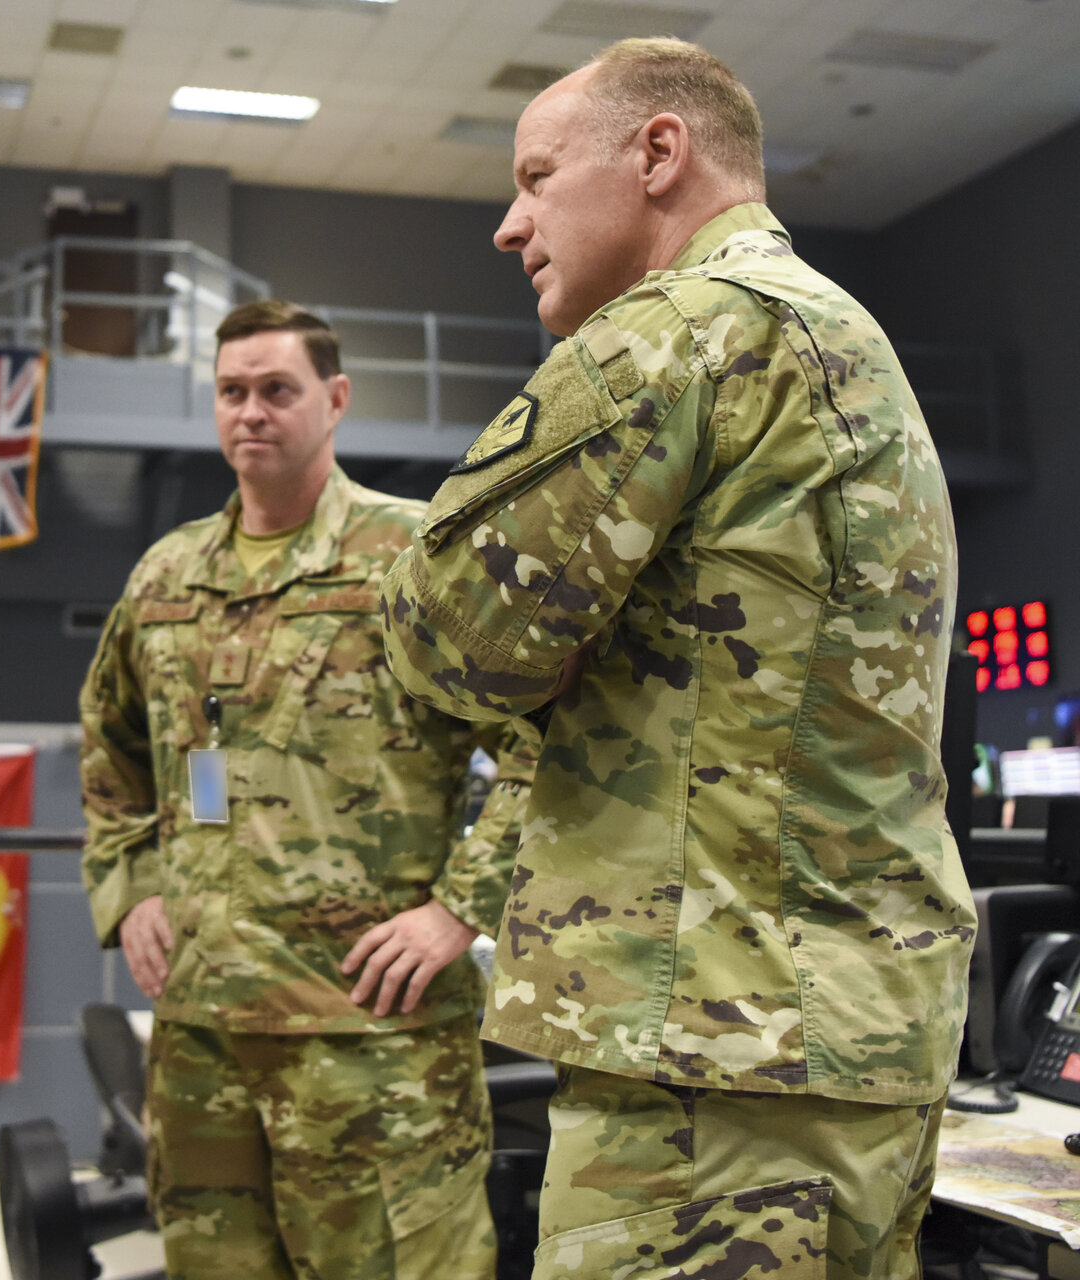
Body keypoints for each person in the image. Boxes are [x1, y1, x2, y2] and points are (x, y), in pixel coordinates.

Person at [379, 38, 972, 1280]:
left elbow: (448, 636)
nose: (508, 223)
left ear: (660, 153)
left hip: (713, 1063)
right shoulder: (849, 340)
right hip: (850, 1039)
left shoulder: (681, 330)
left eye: (538, 177)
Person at [81, 299, 533, 1280]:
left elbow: (545, 742)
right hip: (204, 1037)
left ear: (334, 400)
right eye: (232, 391)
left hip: (371, 1038)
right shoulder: (166, 575)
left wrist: (462, 909)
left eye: (277, 390)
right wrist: (133, 885)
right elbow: (111, 743)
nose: (252, 412)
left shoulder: (415, 557)